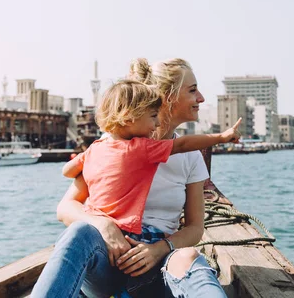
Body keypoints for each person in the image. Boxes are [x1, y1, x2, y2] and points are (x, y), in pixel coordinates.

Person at [32, 59, 230, 298]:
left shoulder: (190, 156)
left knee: (189, 257)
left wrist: (158, 250)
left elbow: (195, 228)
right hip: (108, 262)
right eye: (192, 90)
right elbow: (65, 208)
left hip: (158, 264)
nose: (201, 98)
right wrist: (104, 225)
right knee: (79, 233)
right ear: (166, 97)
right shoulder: (110, 147)